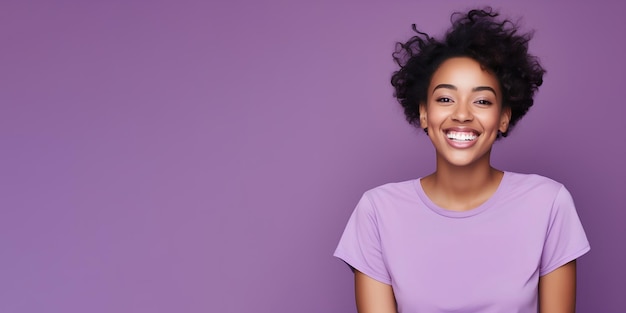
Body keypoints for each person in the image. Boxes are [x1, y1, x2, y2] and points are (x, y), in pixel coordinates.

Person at [333, 8, 590, 313]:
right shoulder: (377, 211)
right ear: (424, 113)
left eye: (482, 100)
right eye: (445, 98)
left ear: (504, 117)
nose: (462, 114)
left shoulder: (549, 204)